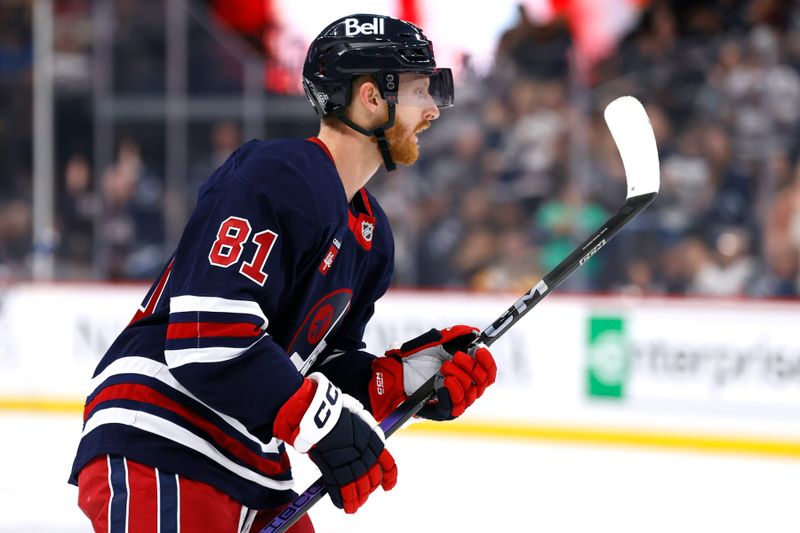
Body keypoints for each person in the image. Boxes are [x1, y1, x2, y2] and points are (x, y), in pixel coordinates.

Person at [69, 13, 497, 533]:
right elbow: (208, 339)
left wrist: (401, 380)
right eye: (418, 90)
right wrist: (325, 423)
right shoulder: (279, 174)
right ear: (370, 97)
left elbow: (313, 366)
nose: (432, 109)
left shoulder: (370, 235)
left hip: (251, 465)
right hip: (166, 436)